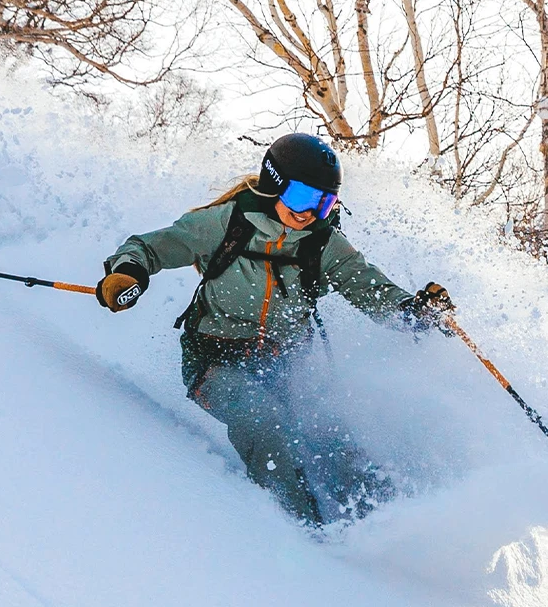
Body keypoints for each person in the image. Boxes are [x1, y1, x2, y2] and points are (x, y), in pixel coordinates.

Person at [95, 133, 454, 526]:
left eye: (324, 202)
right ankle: (303, 532)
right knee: (262, 419)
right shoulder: (225, 223)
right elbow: (151, 247)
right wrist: (127, 273)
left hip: (286, 363)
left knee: (331, 434)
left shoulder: (323, 244)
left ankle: (391, 526)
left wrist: (414, 312)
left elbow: (367, 286)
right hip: (215, 360)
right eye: (302, 197)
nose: (308, 213)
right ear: (274, 185)